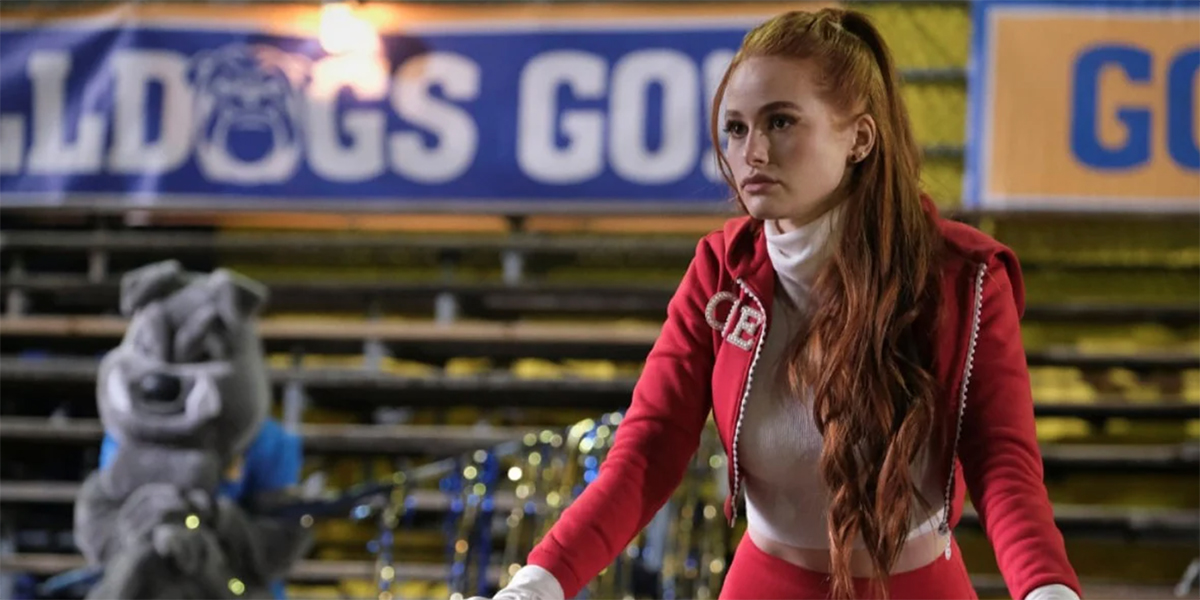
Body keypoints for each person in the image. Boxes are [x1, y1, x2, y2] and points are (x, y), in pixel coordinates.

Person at [483, 8, 1081, 600]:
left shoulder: (962, 276)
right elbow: (649, 447)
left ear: (860, 138)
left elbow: (1003, 462)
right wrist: (539, 583)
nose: (753, 153)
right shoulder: (718, 270)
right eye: (736, 128)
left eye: (781, 122)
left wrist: (1047, 588)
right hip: (764, 583)